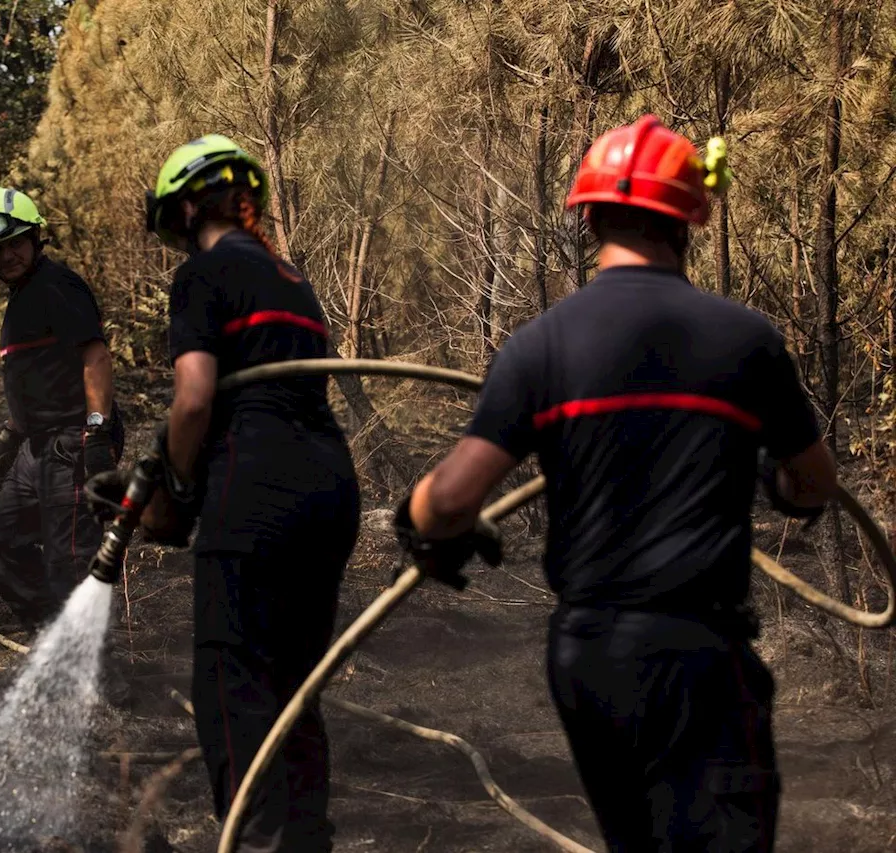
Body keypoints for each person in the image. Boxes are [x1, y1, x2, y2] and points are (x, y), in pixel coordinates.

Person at [391, 115, 838, 852]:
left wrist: (420, 524)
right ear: (690, 222)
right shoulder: (745, 340)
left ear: (589, 216)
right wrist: (773, 479)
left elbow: (446, 502)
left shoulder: (539, 346)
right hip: (698, 658)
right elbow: (815, 481)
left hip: (589, 661)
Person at [92, 134, 361, 851]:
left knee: (236, 689)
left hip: (258, 491)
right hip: (330, 492)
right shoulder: (291, 277)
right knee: (295, 692)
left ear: (184, 208)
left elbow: (194, 401)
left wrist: (173, 492)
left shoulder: (204, 274)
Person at [0, 185, 125, 630]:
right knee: (4, 540)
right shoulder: (21, 299)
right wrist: (10, 435)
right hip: (36, 446)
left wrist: (96, 433)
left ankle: (98, 673)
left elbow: (96, 357)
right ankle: (53, 634)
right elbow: (37, 380)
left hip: (73, 439)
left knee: (70, 558)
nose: (7, 255)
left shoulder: (58, 286)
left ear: (36, 239)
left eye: (15, 243)